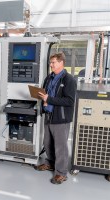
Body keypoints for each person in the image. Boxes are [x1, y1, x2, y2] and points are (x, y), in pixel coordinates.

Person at [35, 52, 77, 184]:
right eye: (50, 62)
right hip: (48, 114)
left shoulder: (69, 80)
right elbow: (46, 94)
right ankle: (51, 163)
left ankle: (61, 173)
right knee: (47, 143)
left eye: (53, 62)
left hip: (61, 118)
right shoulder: (49, 78)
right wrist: (42, 98)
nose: (51, 64)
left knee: (60, 146)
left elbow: (70, 101)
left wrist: (50, 99)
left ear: (61, 63)